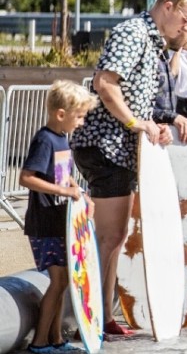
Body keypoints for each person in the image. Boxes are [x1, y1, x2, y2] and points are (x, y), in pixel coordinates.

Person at [70, 0, 187, 336]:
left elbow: (138, 99)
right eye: (186, 19)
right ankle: (94, 317)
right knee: (109, 236)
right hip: (105, 144)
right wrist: (133, 123)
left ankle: (103, 316)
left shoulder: (154, 40)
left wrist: (150, 124)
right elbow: (105, 82)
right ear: (168, 6)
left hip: (120, 146)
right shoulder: (133, 33)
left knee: (117, 235)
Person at [20, 80, 97, 354]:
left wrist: (79, 194)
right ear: (60, 114)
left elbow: (64, 180)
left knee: (64, 281)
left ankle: (55, 339)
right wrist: (64, 190)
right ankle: (39, 343)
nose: (82, 122)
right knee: (59, 281)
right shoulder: (44, 139)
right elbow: (27, 178)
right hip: (44, 224)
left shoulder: (62, 138)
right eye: (79, 116)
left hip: (59, 221)